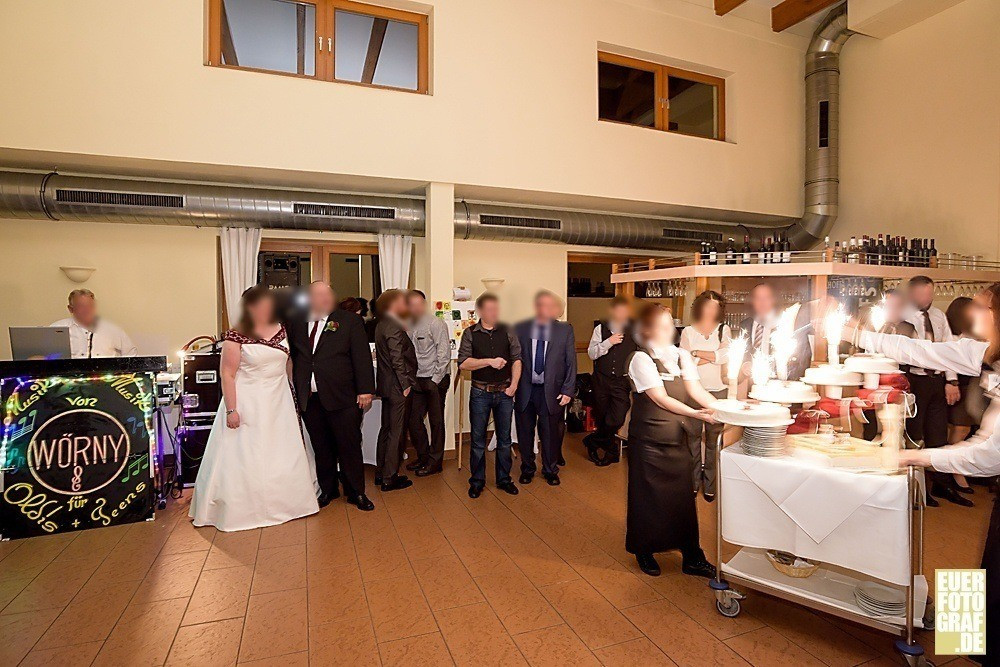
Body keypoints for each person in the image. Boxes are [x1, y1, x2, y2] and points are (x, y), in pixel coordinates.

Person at [841, 283, 1000, 666]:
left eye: (981, 309)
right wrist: (856, 335)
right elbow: (922, 350)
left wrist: (915, 458)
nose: (972, 317)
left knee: (993, 580)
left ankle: (970, 646)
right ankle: (964, 643)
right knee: (986, 571)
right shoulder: (983, 350)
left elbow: (990, 456)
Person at [190, 286, 319, 531]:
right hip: (247, 399)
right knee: (246, 453)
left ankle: (289, 504)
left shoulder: (282, 329)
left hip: (279, 400)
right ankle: (244, 509)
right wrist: (231, 410)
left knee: (282, 451)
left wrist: (297, 391)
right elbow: (227, 374)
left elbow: (288, 362)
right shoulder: (236, 334)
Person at [626, 303, 718, 579]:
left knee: (682, 502)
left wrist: (723, 408)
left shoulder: (681, 356)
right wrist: (697, 414)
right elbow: (659, 397)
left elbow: (696, 389)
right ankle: (645, 550)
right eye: (663, 325)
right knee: (647, 499)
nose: (670, 330)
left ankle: (692, 557)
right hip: (649, 442)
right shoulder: (640, 359)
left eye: (671, 324)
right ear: (647, 330)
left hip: (678, 440)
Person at [288, 282, 376, 512]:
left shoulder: (350, 321)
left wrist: (365, 389)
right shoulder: (296, 322)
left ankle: (356, 492)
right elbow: (294, 356)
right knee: (321, 446)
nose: (325, 298)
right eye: (319, 294)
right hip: (311, 397)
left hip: (343, 397)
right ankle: (327, 489)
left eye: (328, 293)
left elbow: (361, 357)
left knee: (349, 445)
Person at [902, 276, 969, 507]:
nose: (927, 299)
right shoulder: (904, 317)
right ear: (912, 294)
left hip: (937, 382)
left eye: (930, 294)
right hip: (915, 380)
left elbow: (948, 349)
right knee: (915, 435)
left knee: (938, 436)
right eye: (922, 294)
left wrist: (952, 381)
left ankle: (942, 485)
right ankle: (919, 490)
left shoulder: (939, 316)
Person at [457, 293, 522, 498]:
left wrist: (514, 385)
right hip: (480, 393)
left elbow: (517, 359)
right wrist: (489, 361)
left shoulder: (508, 331)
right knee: (477, 441)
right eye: (490, 309)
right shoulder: (470, 333)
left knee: (504, 440)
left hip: (505, 392)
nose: (494, 313)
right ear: (480, 311)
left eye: (497, 309)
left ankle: (504, 479)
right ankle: (477, 481)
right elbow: (463, 363)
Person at [514, 290, 577, 486]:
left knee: (550, 433)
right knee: (525, 432)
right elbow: (513, 359)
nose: (545, 309)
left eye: (549, 306)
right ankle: (527, 468)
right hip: (526, 389)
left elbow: (570, 362)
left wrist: (568, 390)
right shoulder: (520, 328)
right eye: (541, 305)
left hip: (552, 391)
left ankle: (550, 470)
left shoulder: (565, 330)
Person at [679, 290, 731, 501]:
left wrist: (697, 354)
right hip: (693, 392)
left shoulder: (723, 330)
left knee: (713, 441)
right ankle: (692, 483)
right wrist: (713, 357)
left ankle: (709, 485)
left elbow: (726, 355)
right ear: (700, 306)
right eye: (708, 305)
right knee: (691, 439)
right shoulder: (688, 332)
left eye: (715, 307)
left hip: (718, 392)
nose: (711, 310)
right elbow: (685, 362)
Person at [584, 296, 637, 467]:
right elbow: (592, 353)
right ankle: (611, 452)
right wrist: (608, 342)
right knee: (601, 416)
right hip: (601, 379)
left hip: (621, 381)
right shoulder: (601, 328)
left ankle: (593, 440)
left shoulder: (635, 329)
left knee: (616, 418)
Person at [374, 288, 418, 492]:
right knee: (396, 432)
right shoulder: (392, 325)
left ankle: (381, 471)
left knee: (386, 429)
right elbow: (397, 358)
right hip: (398, 387)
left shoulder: (382, 324)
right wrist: (406, 384)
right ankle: (389, 477)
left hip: (387, 385)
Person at [860, 289, 916, 442]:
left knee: (894, 428)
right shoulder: (872, 327)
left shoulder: (908, 328)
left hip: (898, 383)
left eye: (897, 306)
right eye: (889, 305)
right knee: (871, 430)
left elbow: (912, 356)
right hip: (873, 382)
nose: (893, 310)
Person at [405, 290, 451, 476]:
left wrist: (435, 380)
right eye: (412, 304)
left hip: (435, 379)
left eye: (419, 304)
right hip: (417, 378)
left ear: (424, 304)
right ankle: (423, 456)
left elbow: (444, 353)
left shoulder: (436, 323)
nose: (416, 308)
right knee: (413, 420)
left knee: (436, 422)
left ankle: (435, 462)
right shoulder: (407, 324)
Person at [946, 296, 985, 496]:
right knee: (960, 429)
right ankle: (955, 472)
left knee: (967, 430)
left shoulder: (976, 333)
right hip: (961, 384)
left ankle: (960, 469)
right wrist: (951, 383)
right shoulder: (955, 337)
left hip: (974, 384)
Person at [737, 283, 810, 380]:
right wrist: (745, 364)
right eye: (757, 298)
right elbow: (742, 353)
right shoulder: (745, 325)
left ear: (773, 300)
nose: (762, 302)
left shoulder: (785, 324)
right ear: (752, 301)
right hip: (754, 385)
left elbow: (801, 358)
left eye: (766, 298)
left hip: (780, 384)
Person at [50, 289, 137, 358]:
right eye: (81, 306)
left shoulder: (111, 329)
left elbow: (131, 354)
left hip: (104, 378)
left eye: (90, 305)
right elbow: (45, 357)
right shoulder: (56, 329)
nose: (87, 310)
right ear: (70, 309)